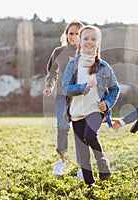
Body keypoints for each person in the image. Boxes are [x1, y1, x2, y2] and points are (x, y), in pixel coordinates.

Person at [62, 25, 120, 187]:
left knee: (90, 136)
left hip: (95, 111)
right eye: (86, 38)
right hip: (76, 112)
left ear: (98, 42)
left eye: (93, 39)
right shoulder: (73, 64)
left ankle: (103, 166)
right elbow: (65, 88)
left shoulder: (103, 66)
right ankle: (89, 183)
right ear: (79, 41)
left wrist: (107, 103)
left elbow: (115, 89)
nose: (89, 42)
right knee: (82, 148)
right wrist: (84, 87)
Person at [43, 20, 84, 176]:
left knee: (79, 131)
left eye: (77, 34)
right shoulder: (58, 51)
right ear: (66, 34)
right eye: (70, 33)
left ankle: (82, 167)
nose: (73, 37)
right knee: (62, 127)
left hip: (79, 98)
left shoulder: (85, 53)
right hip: (62, 95)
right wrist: (49, 86)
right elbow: (52, 72)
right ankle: (61, 161)